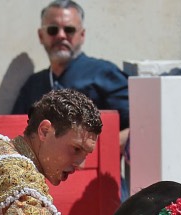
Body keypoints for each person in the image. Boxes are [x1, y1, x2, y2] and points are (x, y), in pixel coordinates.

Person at [12, 1, 129, 146]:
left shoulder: (104, 73)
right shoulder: (33, 84)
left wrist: (96, 150)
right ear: (41, 36)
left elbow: (140, 127)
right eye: (53, 30)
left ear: (82, 35)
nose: (61, 36)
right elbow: (15, 133)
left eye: (69, 30)